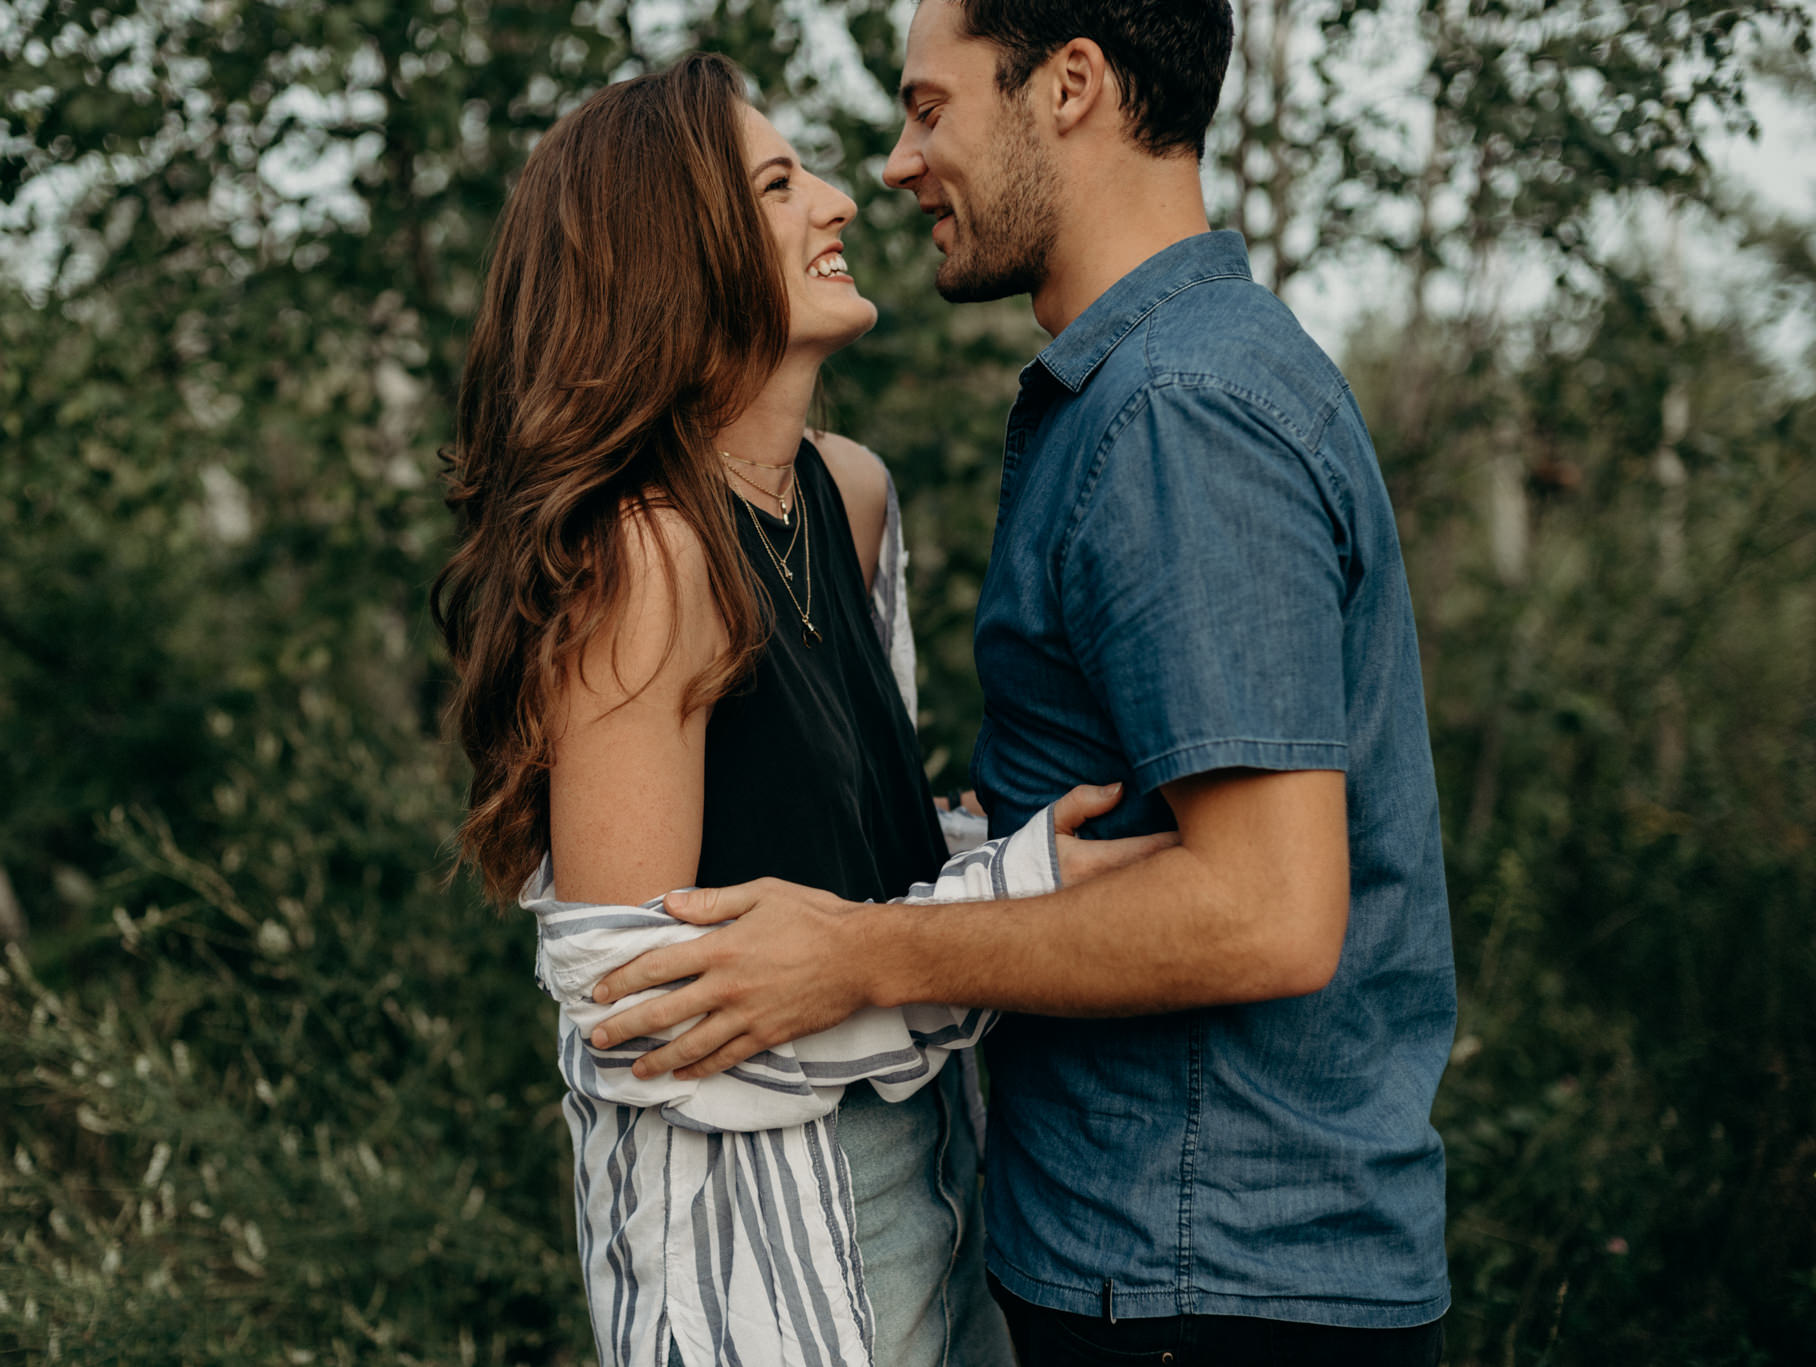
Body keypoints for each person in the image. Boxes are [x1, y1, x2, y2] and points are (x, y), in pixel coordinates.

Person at [587, 5, 1458, 1365]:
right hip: (1163, 1263)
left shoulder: (1179, 409)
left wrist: (859, 950)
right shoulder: (1140, 393)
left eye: (930, 109)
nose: (890, 165)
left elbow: (1268, 912)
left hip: (1203, 1282)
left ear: (1069, 87)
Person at [431, 53, 1163, 1367]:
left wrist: (985, 869)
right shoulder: (644, 558)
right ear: (680, 251)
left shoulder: (855, 496)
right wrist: (1023, 897)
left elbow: (859, 864)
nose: (836, 200)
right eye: (779, 183)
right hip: (752, 1241)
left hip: (951, 1171)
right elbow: (635, 1010)